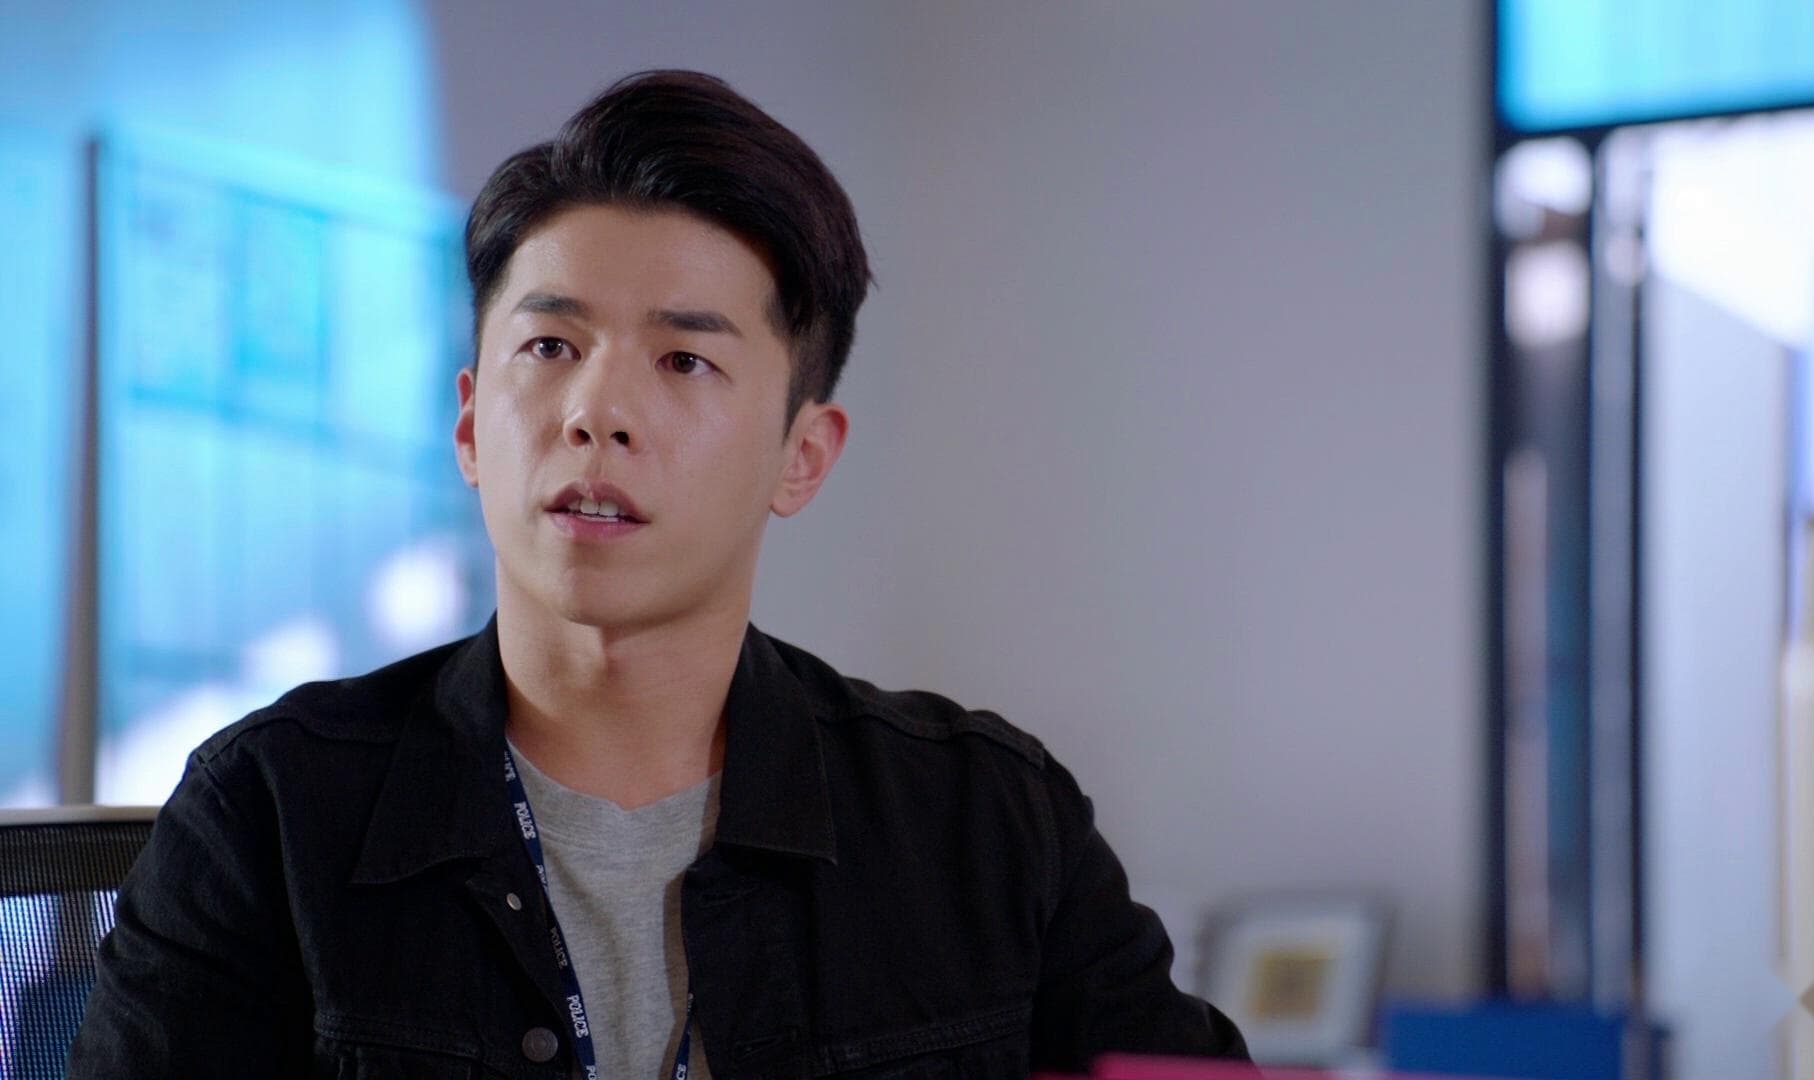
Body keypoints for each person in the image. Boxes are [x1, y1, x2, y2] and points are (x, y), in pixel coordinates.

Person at [69, 70, 1248, 1078]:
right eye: (550, 345)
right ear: (472, 425)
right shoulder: (268, 814)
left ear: (801, 456)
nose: (598, 411)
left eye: (684, 359)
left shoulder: (986, 824)